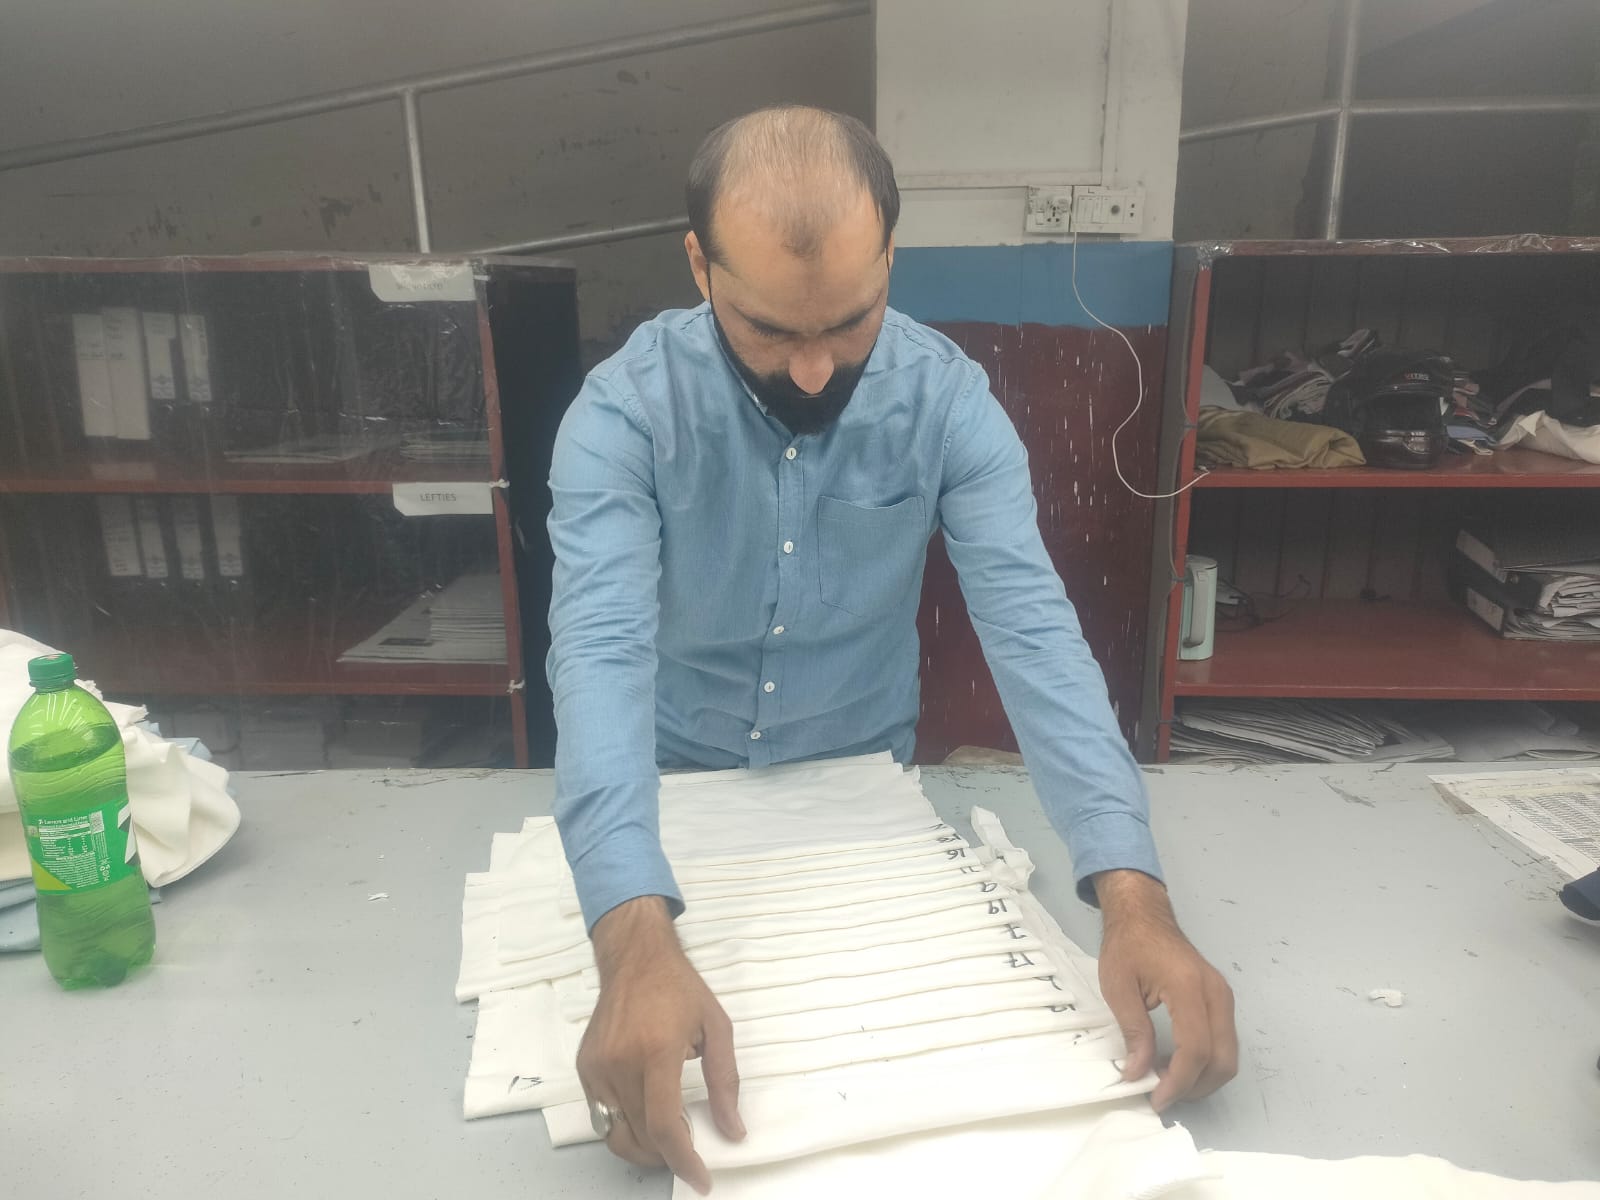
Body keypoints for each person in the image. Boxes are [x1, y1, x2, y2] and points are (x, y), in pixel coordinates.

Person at [546, 105, 1237, 1194]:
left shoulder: (948, 404)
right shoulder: (623, 417)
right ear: (699, 266)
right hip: (671, 794)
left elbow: (1035, 635)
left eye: (851, 322)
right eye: (769, 330)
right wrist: (631, 940)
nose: (815, 372)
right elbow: (599, 654)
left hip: (865, 801)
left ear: (890, 261)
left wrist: (1132, 897)